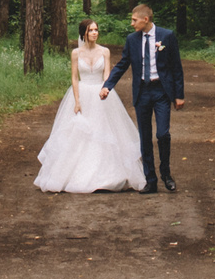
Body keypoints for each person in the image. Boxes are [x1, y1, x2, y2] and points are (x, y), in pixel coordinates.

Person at [33, 17, 145, 193]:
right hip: (83, 93)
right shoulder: (76, 53)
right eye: (91, 30)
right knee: (79, 133)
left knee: (105, 132)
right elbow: (74, 77)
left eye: (96, 30)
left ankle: (109, 175)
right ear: (84, 33)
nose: (94, 33)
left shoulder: (105, 51)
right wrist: (77, 101)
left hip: (101, 93)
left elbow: (107, 75)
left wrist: (106, 90)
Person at [98, 2, 184, 194]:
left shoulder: (166, 36)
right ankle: (150, 180)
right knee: (144, 137)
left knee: (163, 134)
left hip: (161, 91)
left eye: (134, 20)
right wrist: (107, 86)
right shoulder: (132, 39)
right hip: (142, 92)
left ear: (146, 19)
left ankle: (166, 174)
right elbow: (122, 65)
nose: (131, 23)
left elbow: (176, 67)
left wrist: (179, 95)